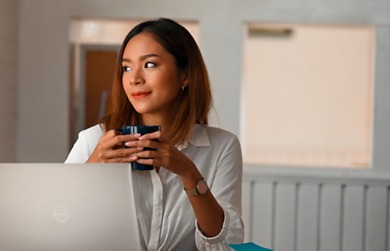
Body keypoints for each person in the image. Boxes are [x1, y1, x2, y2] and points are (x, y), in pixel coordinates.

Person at [65, 17, 244, 250]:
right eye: (126, 68)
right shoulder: (93, 141)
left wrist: (188, 172)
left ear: (185, 74)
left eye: (149, 65)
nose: (134, 79)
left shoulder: (222, 147)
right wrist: (93, 168)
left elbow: (226, 246)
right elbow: (57, 226)